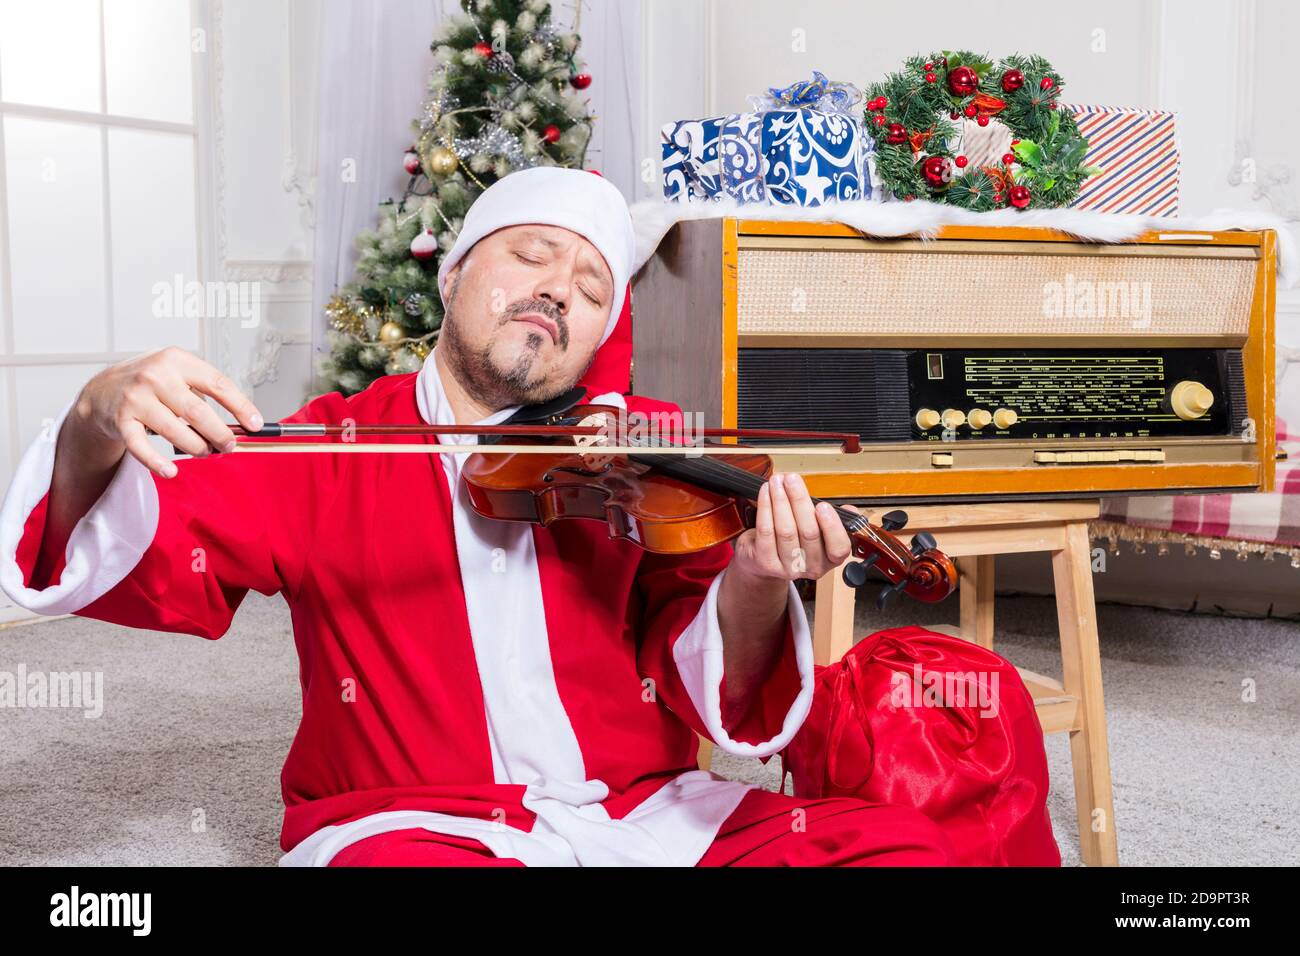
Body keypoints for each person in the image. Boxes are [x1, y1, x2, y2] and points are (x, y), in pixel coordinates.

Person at [0, 167, 954, 866]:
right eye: (530, 255)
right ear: (454, 276)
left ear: (594, 340)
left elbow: (717, 677)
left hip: (644, 816)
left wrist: (755, 576)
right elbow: (104, 556)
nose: (556, 289)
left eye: (590, 290)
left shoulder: (637, 462)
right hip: (416, 824)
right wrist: (95, 421)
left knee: (902, 854)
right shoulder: (333, 445)